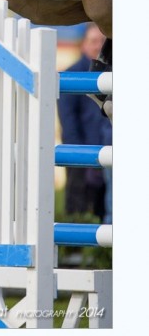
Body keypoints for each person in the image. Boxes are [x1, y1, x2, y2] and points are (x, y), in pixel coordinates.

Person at [57, 23, 112, 222]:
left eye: (102, 42)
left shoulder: (110, 73)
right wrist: (81, 157)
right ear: (83, 45)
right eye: (93, 41)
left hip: (107, 149)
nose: (98, 46)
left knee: (105, 211)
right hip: (80, 154)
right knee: (78, 210)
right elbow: (69, 123)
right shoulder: (69, 75)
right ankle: (74, 251)